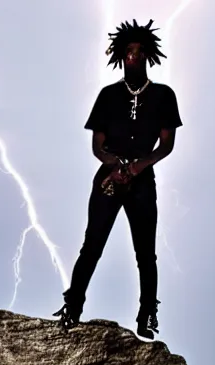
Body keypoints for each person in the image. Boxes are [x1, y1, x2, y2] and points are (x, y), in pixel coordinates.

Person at [53, 19, 183, 339]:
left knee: (145, 253)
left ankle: (147, 315)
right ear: (120, 55)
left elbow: (166, 145)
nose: (134, 57)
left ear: (149, 55)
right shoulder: (108, 95)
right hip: (109, 179)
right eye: (129, 52)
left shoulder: (164, 96)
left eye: (140, 52)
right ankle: (73, 308)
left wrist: (139, 166)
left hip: (142, 182)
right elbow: (97, 145)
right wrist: (115, 165)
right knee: (92, 245)